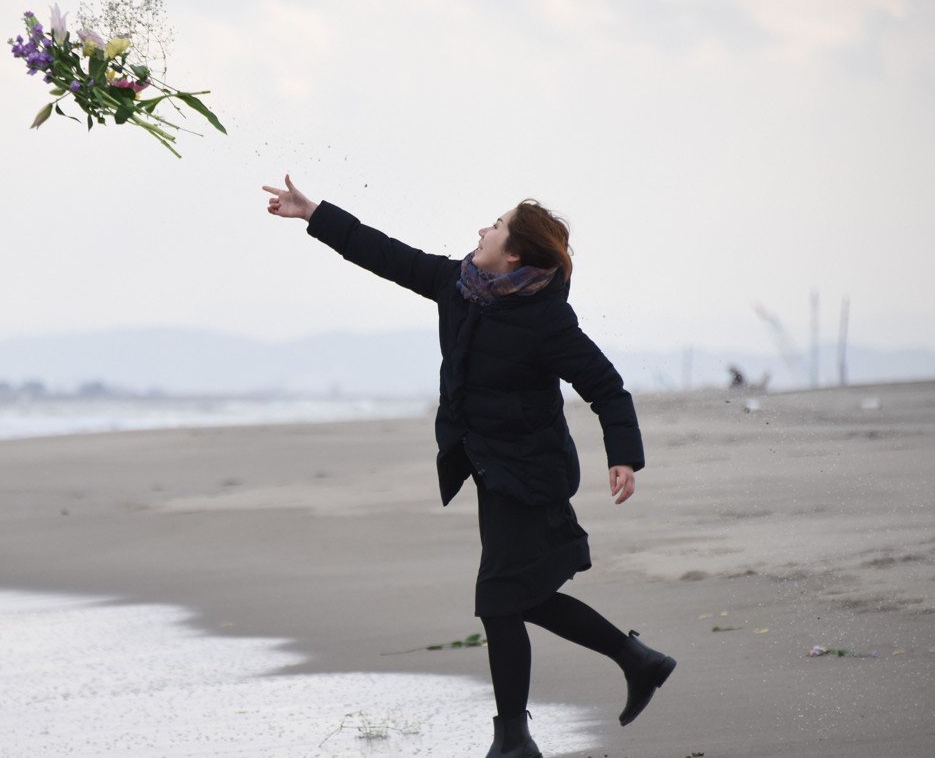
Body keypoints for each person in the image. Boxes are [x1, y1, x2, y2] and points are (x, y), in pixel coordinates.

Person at [261, 174, 677, 758]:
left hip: (531, 475)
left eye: (497, 225)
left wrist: (625, 457)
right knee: (520, 599)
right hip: (491, 468)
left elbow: (607, 388)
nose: (482, 229)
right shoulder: (458, 286)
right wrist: (314, 213)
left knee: (501, 601)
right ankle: (633, 663)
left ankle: (516, 737)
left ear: (513, 254)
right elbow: (383, 253)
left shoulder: (546, 320)